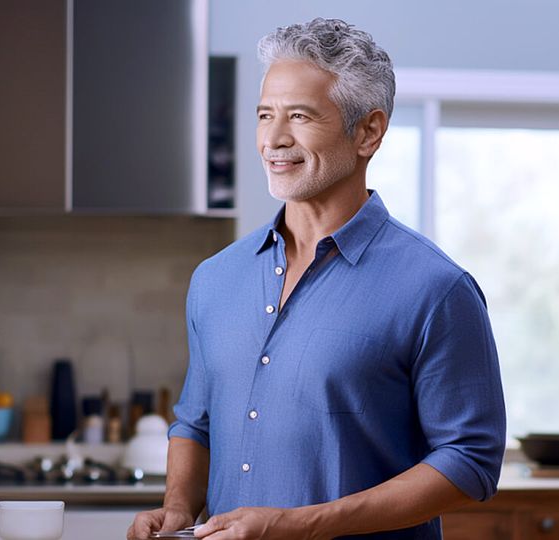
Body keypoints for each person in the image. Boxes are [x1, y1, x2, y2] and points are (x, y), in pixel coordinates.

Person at [128, 18, 505, 540]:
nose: (274, 139)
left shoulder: (437, 290)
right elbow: (196, 424)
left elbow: (471, 462)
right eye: (265, 115)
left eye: (300, 116)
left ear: (368, 131)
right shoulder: (215, 279)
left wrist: (301, 525)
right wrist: (176, 508)